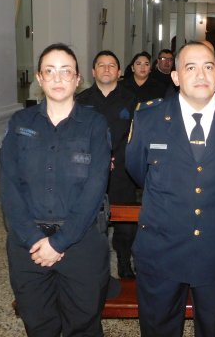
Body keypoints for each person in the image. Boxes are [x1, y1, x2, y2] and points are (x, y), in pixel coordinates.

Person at [125, 41, 215, 337]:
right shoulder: (148, 118)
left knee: (214, 328)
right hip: (161, 248)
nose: (201, 74)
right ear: (175, 77)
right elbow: (138, 172)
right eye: (190, 67)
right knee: (158, 328)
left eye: (209, 66)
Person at [1, 43, 111, 336]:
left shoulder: (95, 125)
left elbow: (95, 187)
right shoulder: (20, 123)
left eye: (66, 72)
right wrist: (34, 239)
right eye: (50, 71)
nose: (58, 78)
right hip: (29, 246)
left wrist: (60, 242)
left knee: (84, 324)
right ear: (39, 78)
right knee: (38, 324)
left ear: (77, 79)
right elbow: (10, 187)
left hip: (80, 241)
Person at [76, 50, 139, 279]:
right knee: (92, 220)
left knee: (125, 223)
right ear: (93, 71)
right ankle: (96, 266)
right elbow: (77, 137)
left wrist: (118, 158)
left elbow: (136, 136)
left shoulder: (131, 99)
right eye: (101, 65)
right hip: (90, 171)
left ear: (119, 72)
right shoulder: (81, 102)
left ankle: (124, 263)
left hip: (122, 171)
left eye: (111, 65)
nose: (106, 69)